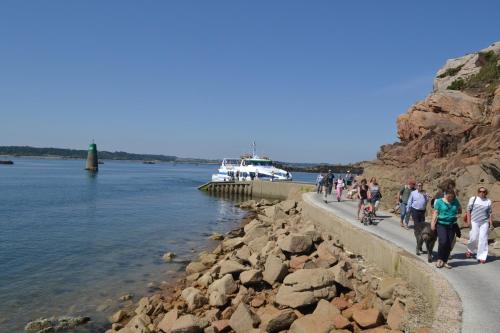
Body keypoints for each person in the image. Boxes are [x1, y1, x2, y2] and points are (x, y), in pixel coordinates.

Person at [431, 189, 462, 269]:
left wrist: (458, 215)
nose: (451, 198)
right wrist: (433, 224)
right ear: (446, 194)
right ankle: (439, 259)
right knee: (443, 241)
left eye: (452, 197)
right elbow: (436, 213)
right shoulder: (439, 201)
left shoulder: (455, 201)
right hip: (441, 224)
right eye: (449, 196)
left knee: (449, 243)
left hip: (452, 225)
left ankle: (445, 261)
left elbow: (460, 210)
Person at [465, 187, 493, 264]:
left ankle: (482, 257)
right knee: (473, 237)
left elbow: (490, 213)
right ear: (478, 192)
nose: (482, 193)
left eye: (484, 192)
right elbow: (468, 210)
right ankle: (470, 250)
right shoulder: (473, 199)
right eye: (480, 191)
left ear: (486, 193)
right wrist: (468, 221)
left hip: (484, 222)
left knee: (483, 239)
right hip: (474, 221)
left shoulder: (488, 201)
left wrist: (491, 223)